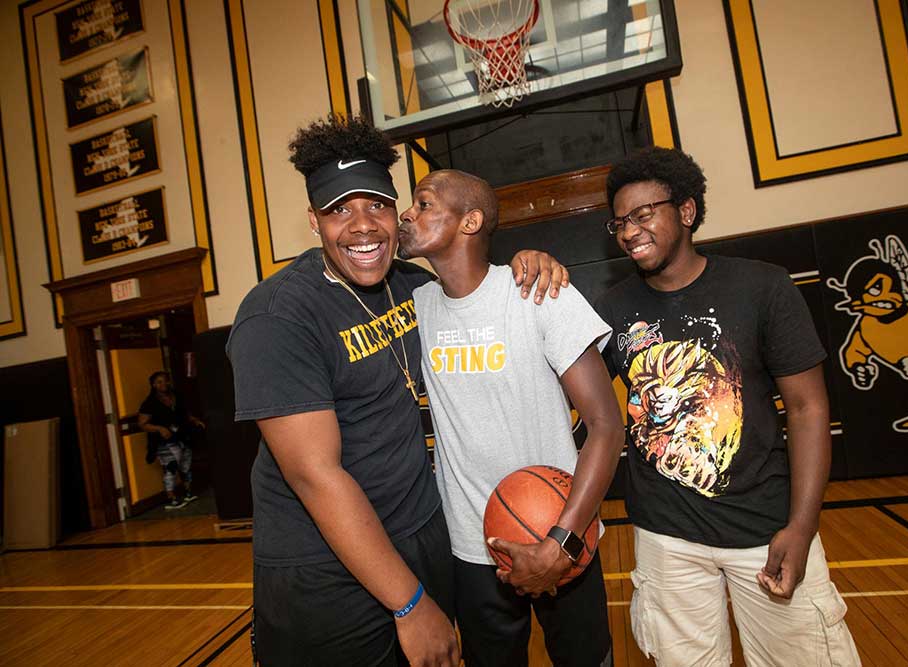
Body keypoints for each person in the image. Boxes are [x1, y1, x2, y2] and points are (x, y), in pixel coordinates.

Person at [225, 115, 568, 667]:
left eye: (376, 205)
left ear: (397, 211)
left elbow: (478, 281)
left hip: (424, 540)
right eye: (339, 210)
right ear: (314, 221)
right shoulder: (276, 317)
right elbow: (316, 476)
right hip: (326, 572)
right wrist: (409, 604)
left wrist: (530, 263)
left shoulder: (415, 287)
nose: (362, 226)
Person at [594, 147, 861, 666]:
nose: (630, 232)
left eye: (643, 215)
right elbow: (584, 406)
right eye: (620, 222)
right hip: (666, 538)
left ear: (687, 211)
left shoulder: (762, 287)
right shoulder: (612, 308)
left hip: (763, 530)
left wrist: (801, 526)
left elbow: (807, 409)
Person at [398, 169, 622, 667]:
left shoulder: (539, 292)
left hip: (560, 534)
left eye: (424, 203)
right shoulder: (415, 305)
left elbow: (606, 426)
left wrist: (560, 542)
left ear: (470, 220)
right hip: (472, 548)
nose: (407, 215)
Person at [138, 371, 204, 510]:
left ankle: (188, 492)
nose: (163, 384)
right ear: (153, 385)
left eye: (165, 381)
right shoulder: (150, 403)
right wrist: (160, 429)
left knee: (186, 464)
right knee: (171, 467)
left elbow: (185, 413)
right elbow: (143, 424)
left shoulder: (176, 396)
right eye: (159, 382)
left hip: (182, 435)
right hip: (165, 441)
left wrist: (195, 420)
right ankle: (172, 498)